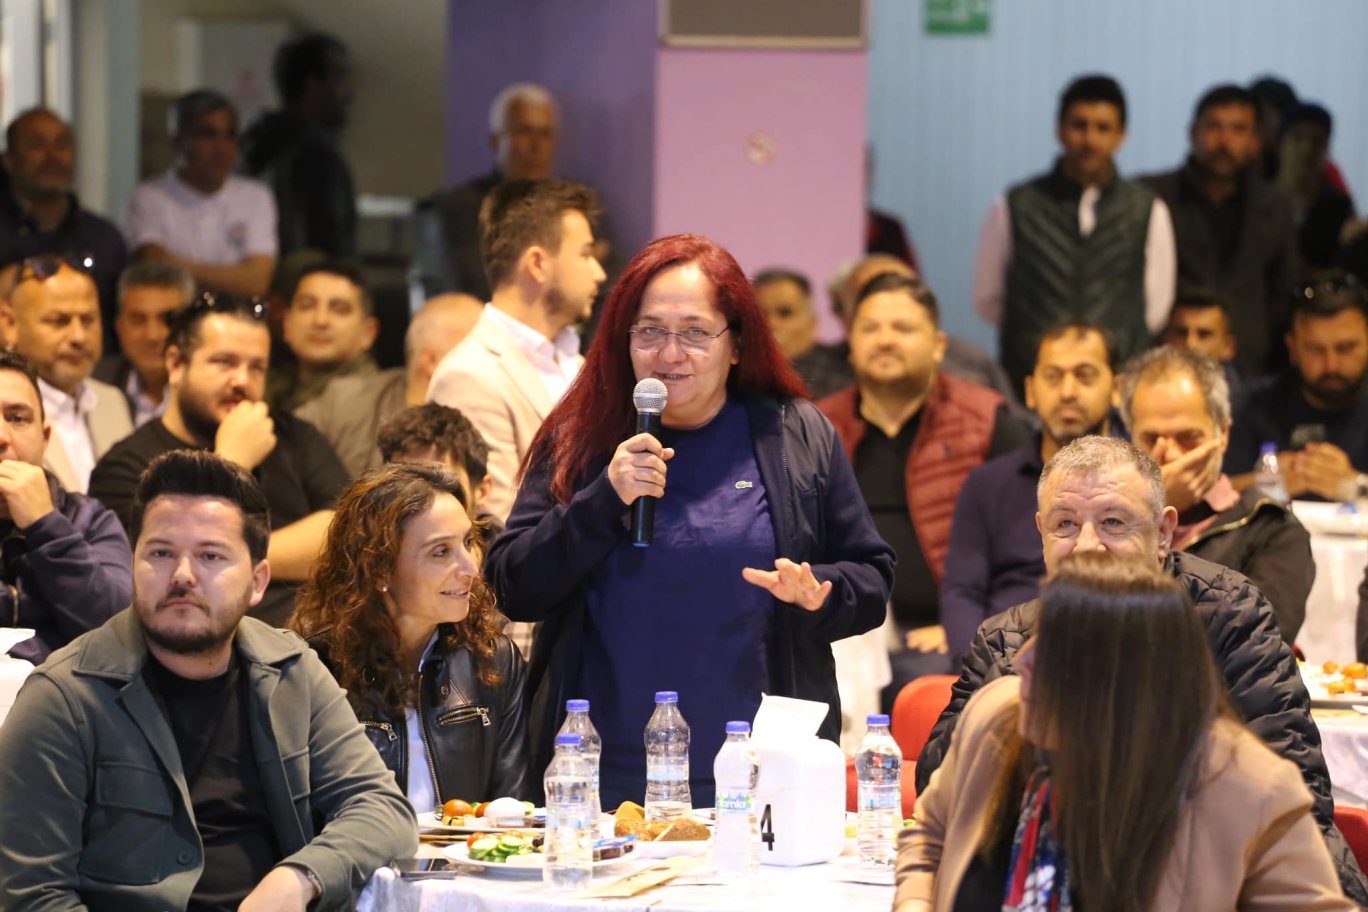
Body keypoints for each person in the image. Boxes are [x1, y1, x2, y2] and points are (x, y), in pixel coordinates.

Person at [484, 233, 894, 806]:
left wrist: (821, 592)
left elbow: (872, 576)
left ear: (736, 345)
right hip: (601, 773)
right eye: (650, 331)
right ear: (624, 339)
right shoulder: (581, 437)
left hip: (761, 770)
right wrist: (602, 499)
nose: (670, 354)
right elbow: (513, 586)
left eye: (696, 333)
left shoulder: (793, 433)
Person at [915, 436, 1368, 904]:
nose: (1086, 546)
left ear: (1163, 533)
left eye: (1112, 522)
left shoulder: (1226, 614)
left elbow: (1296, 789)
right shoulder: (1006, 641)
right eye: (1065, 524)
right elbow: (939, 797)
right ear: (1041, 534)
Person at [0, 449, 416, 911]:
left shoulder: (293, 670)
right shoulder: (62, 697)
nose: (182, 575)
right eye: (160, 553)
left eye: (210, 555)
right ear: (133, 564)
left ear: (258, 581)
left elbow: (381, 808)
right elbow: (32, 895)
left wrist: (301, 877)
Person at [895, 552, 1352, 912]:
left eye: (1056, 647)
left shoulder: (1245, 789)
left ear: (1123, 681)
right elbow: (929, 836)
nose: (1022, 661)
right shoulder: (994, 718)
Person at [820, 273, 1028, 704]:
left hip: (943, 631)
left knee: (922, 685)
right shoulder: (817, 427)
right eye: (870, 328)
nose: (885, 340)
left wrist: (963, 627)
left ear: (938, 345)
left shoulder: (988, 422)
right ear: (851, 343)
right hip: (845, 631)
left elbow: (1024, 557)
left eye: (902, 328)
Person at [89, 294, 348, 626]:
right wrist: (230, 462)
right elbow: (159, 573)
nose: (242, 380)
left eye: (256, 367)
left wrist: (232, 557)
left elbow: (345, 535)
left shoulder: (294, 435)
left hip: (313, 639)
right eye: (225, 362)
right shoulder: (125, 465)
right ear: (175, 364)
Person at [290, 462, 527, 813]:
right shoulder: (315, 668)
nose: (470, 568)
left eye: (467, 543)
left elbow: (512, 813)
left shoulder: (495, 661)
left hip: (471, 850)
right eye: (440, 552)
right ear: (380, 569)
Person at [975, 74, 1176, 395]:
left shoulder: (1147, 209)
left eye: (1103, 128)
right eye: (1079, 125)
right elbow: (988, 299)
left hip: (1118, 387)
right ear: (1059, 129)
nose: (1089, 140)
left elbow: (1155, 309)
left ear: (1121, 135)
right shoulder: (1016, 205)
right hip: (1032, 386)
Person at [427, 177, 605, 522]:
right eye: (585, 254)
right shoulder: (469, 376)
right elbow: (498, 526)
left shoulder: (576, 361)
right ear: (537, 263)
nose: (598, 272)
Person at [940, 322, 1117, 661]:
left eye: (1085, 376)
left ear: (1117, 388)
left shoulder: (1138, 484)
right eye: (1053, 377)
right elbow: (962, 593)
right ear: (1031, 391)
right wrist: (978, 669)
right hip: (1001, 656)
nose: (1067, 391)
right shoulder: (987, 484)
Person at [1121, 345, 1312, 641]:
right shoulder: (1105, 522)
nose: (1170, 455)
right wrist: (1147, 513)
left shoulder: (1272, 529)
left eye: (1188, 437)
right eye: (1151, 438)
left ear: (1223, 434)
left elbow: (1253, 643)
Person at [1143, 84, 1299, 378]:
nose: (1224, 141)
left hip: (1252, 366)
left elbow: (1283, 291)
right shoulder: (1152, 197)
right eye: (1214, 127)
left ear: (1256, 141)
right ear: (1193, 133)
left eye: (1238, 129)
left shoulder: (1274, 205)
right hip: (1169, 356)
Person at [0, 350, 131, 665]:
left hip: (62, 694)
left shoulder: (90, 520)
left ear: (45, 438)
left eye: (17, 418)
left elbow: (120, 635)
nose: (1, 436)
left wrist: (45, 525)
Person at [297, 293, 483, 479]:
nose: (493, 365)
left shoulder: (488, 420)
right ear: (432, 361)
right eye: (482, 350)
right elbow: (286, 437)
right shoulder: (347, 402)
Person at [1225, 272, 1368, 500]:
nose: (1331, 365)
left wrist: (1358, 486)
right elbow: (1207, 498)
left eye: (1345, 348)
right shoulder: (1251, 407)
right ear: (1292, 347)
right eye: (1315, 350)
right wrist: (1264, 484)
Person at [123, 90, 277, 297]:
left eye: (230, 135)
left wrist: (178, 270)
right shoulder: (148, 199)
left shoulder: (256, 197)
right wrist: (237, 275)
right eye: (207, 135)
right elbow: (155, 268)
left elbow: (256, 282)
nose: (221, 148)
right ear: (178, 141)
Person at [413, 83, 558, 302]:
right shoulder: (460, 208)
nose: (536, 146)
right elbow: (470, 284)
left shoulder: (568, 206)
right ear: (496, 140)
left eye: (545, 133)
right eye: (524, 132)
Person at [0, 255, 132, 493]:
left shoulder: (112, 401)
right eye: (58, 321)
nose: (78, 336)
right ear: (10, 324)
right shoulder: (5, 404)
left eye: (88, 320)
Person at [0, 108, 128, 345]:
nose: (52, 156)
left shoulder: (104, 238)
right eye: (37, 145)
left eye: (62, 145)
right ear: (9, 160)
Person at [241, 32, 356, 260]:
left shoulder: (254, 144)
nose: (349, 93)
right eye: (339, 80)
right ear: (312, 87)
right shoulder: (316, 156)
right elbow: (325, 247)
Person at [375, 402, 499, 543]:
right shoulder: (371, 552)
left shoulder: (509, 555)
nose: (423, 504)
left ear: (482, 492)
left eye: (444, 486)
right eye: (404, 486)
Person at [94, 261, 196, 427]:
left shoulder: (213, 390)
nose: (152, 336)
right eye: (138, 320)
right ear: (119, 327)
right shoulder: (96, 385)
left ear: (194, 325)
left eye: (168, 319)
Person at [271, 259, 378, 411]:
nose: (320, 320)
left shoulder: (376, 404)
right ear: (286, 324)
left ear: (368, 332)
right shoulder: (269, 390)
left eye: (339, 309)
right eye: (307, 306)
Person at [1276, 103, 1356, 273]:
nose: (1306, 150)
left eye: (1317, 141)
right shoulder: (1255, 199)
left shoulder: (1338, 207)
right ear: (1280, 144)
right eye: (1298, 138)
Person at [753, 267, 841, 399]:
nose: (771, 324)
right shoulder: (735, 380)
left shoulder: (840, 382)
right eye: (760, 315)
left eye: (785, 313)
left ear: (812, 323)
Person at [1162, 286, 1245, 407]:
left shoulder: (1250, 408)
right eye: (1181, 333)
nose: (1191, 344)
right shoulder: (1143, 395)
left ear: (1228, 347)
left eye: (1204, 334)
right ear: (1166, 339)